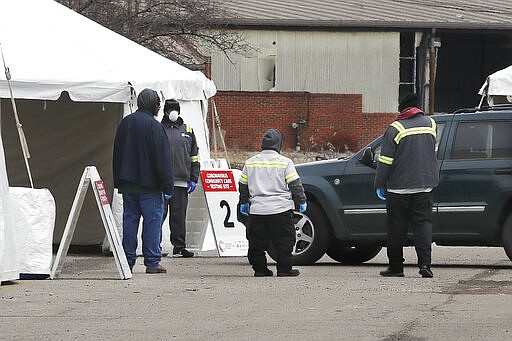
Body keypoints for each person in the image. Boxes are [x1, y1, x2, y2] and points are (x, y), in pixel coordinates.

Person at [374, 93, 439, 278]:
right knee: (423, 225)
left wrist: (379, 184)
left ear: (402, 109)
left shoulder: (395, 128)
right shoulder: (431, 124)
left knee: (396, 228)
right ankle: (425, 265)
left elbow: (385, 161)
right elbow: (430, 152)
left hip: (399, 188)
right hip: (425, 186)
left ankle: (396, 267)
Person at [113, 88, 174, 274]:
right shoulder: (156, 127)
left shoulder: (125, 123)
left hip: (129, 185)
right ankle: (152, 261)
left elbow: (117, 154)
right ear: (153, 105)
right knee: (152, 224)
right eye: (158, 104)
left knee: (130, 223)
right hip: (151, 187)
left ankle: (128, 261)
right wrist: (167, 185)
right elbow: (163, 159)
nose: (159, 108)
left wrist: (118, 181)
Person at [238, 128, 307, 277]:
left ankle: (260, 270)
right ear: (279, 145)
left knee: (256, 244)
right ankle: (284, 270)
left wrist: (244, 202)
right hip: (281, 210)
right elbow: (295, 185)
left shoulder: (250, 163)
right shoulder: (285, 163)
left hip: (257, 211)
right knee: (284, 242)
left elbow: (243, 185)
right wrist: (301, 201)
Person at [161, 99, 199, 258]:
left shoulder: (188, 130)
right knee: (158, 216)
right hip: (161, 183)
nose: (172, 112)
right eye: (169, 110)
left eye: (175, 109)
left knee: (179, 217)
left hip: (181, 182)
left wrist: (194, 178)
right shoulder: (158, 128)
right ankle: (154, 247)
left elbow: (194, 156)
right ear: (165, 112)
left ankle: (179, 247)